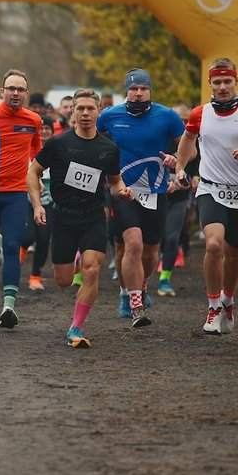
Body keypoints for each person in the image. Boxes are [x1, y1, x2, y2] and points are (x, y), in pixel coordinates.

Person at [176, 58, 238, 335]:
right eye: (217, 82)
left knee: (234, 255)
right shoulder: (200, 113)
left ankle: (228, 300)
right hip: (210, 188)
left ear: (236, 81)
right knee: (213, 245)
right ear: (210, 83)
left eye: (227, 81)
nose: (222, 87)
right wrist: (180, 166)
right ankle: (213, 308)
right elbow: (187, 139)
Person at [26, 89, 132, 348]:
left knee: (92, 269)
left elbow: (115, 181)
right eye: (80, 108)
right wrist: (37, 204)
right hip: (63, 218)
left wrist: (123, 192)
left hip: (93, 217)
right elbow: (33, 172)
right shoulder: (58, 144)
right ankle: (74, 258)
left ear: (98, 111)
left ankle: (76, 327)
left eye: (90, 108)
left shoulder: (108, 148)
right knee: (63, 281)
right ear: (73, 111)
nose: (85, 113)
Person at [96, 68, 185, 327]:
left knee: (150, 250)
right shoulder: (110, 116)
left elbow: (187, 147)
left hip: (156, 191)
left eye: (143, 89)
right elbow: (95, 142)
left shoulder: (167, 116)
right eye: (133, 89)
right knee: (131, 244)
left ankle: (141, 285)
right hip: (123, 190)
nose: (137, 93)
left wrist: (176, 161)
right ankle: (133, 301)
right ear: (126, 91)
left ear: (149, 91)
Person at [0, 69, 42, 329]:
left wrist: (37, 175)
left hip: (16, 192)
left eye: (20, 89)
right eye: (11, 88)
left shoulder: (33, 120)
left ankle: (9, 305)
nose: (15, 93)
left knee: (15, 246)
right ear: (2, 91)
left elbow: (37, 151)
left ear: (26, 93)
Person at [158, 102, 197, 296]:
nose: (182, 123)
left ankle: (165, 278)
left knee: (173, 237)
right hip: (155, 195)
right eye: (179, 119)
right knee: (154, 239)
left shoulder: (192, 139)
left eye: (186, 120)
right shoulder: (159, 136)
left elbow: (198, 162)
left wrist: (194, 177)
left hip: (180, 196)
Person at [21, 115, 57, 290]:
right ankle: (23, 247)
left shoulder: (57, 149)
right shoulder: (27, 148)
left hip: (49, 203)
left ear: (52, 131)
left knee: (43, 240)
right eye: (41, 129)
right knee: (29, 235)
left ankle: (35, 276)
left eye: (47, 129)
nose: (43, 132)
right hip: (27, 200)